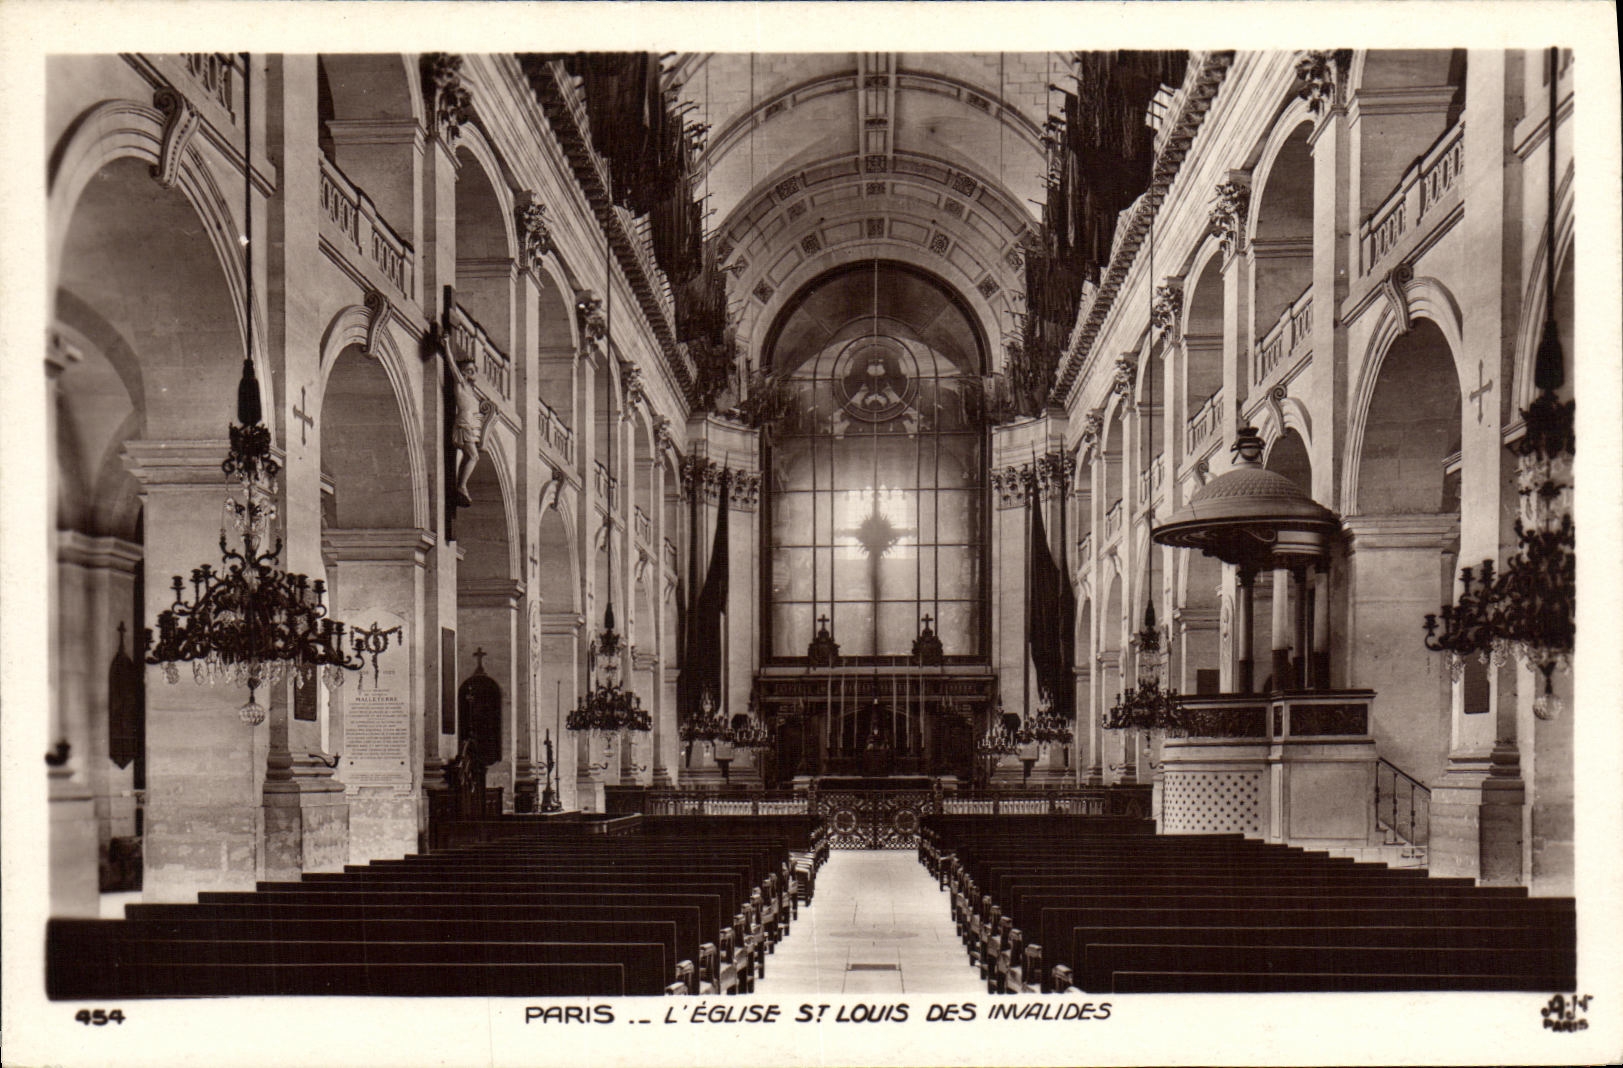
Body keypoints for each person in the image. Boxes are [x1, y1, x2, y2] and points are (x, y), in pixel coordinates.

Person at [445, 350, 484, 508]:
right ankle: (461, 486)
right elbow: (452, 366)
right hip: (464, 423)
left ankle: (461, 485)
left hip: (471, 424)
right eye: (469, 370)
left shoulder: (471, 390)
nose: (472, 373)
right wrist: (447, 345)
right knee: (473, 456)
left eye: (473, 370)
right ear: (463, 372)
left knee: (469, 456)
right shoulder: (460, 383)